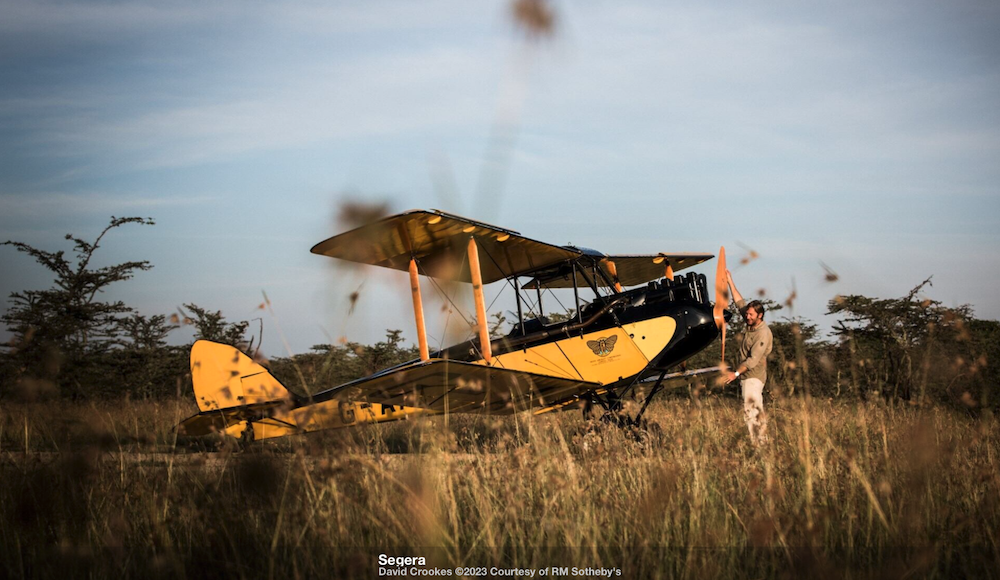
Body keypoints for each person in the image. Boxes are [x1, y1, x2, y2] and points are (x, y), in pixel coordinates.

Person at [723, 270, 773, 445]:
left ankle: (759, 444)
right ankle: (760, 442)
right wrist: (730, 281)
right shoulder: (751, 320)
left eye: (750, 315)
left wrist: (734, 374)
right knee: (752, 411)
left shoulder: (763, 334)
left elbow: (752, 361)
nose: (747, 316)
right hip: (746, 376)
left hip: (753, 376)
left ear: (760, 315)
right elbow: (740, 302)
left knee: (752, 411)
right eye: (747, 314)